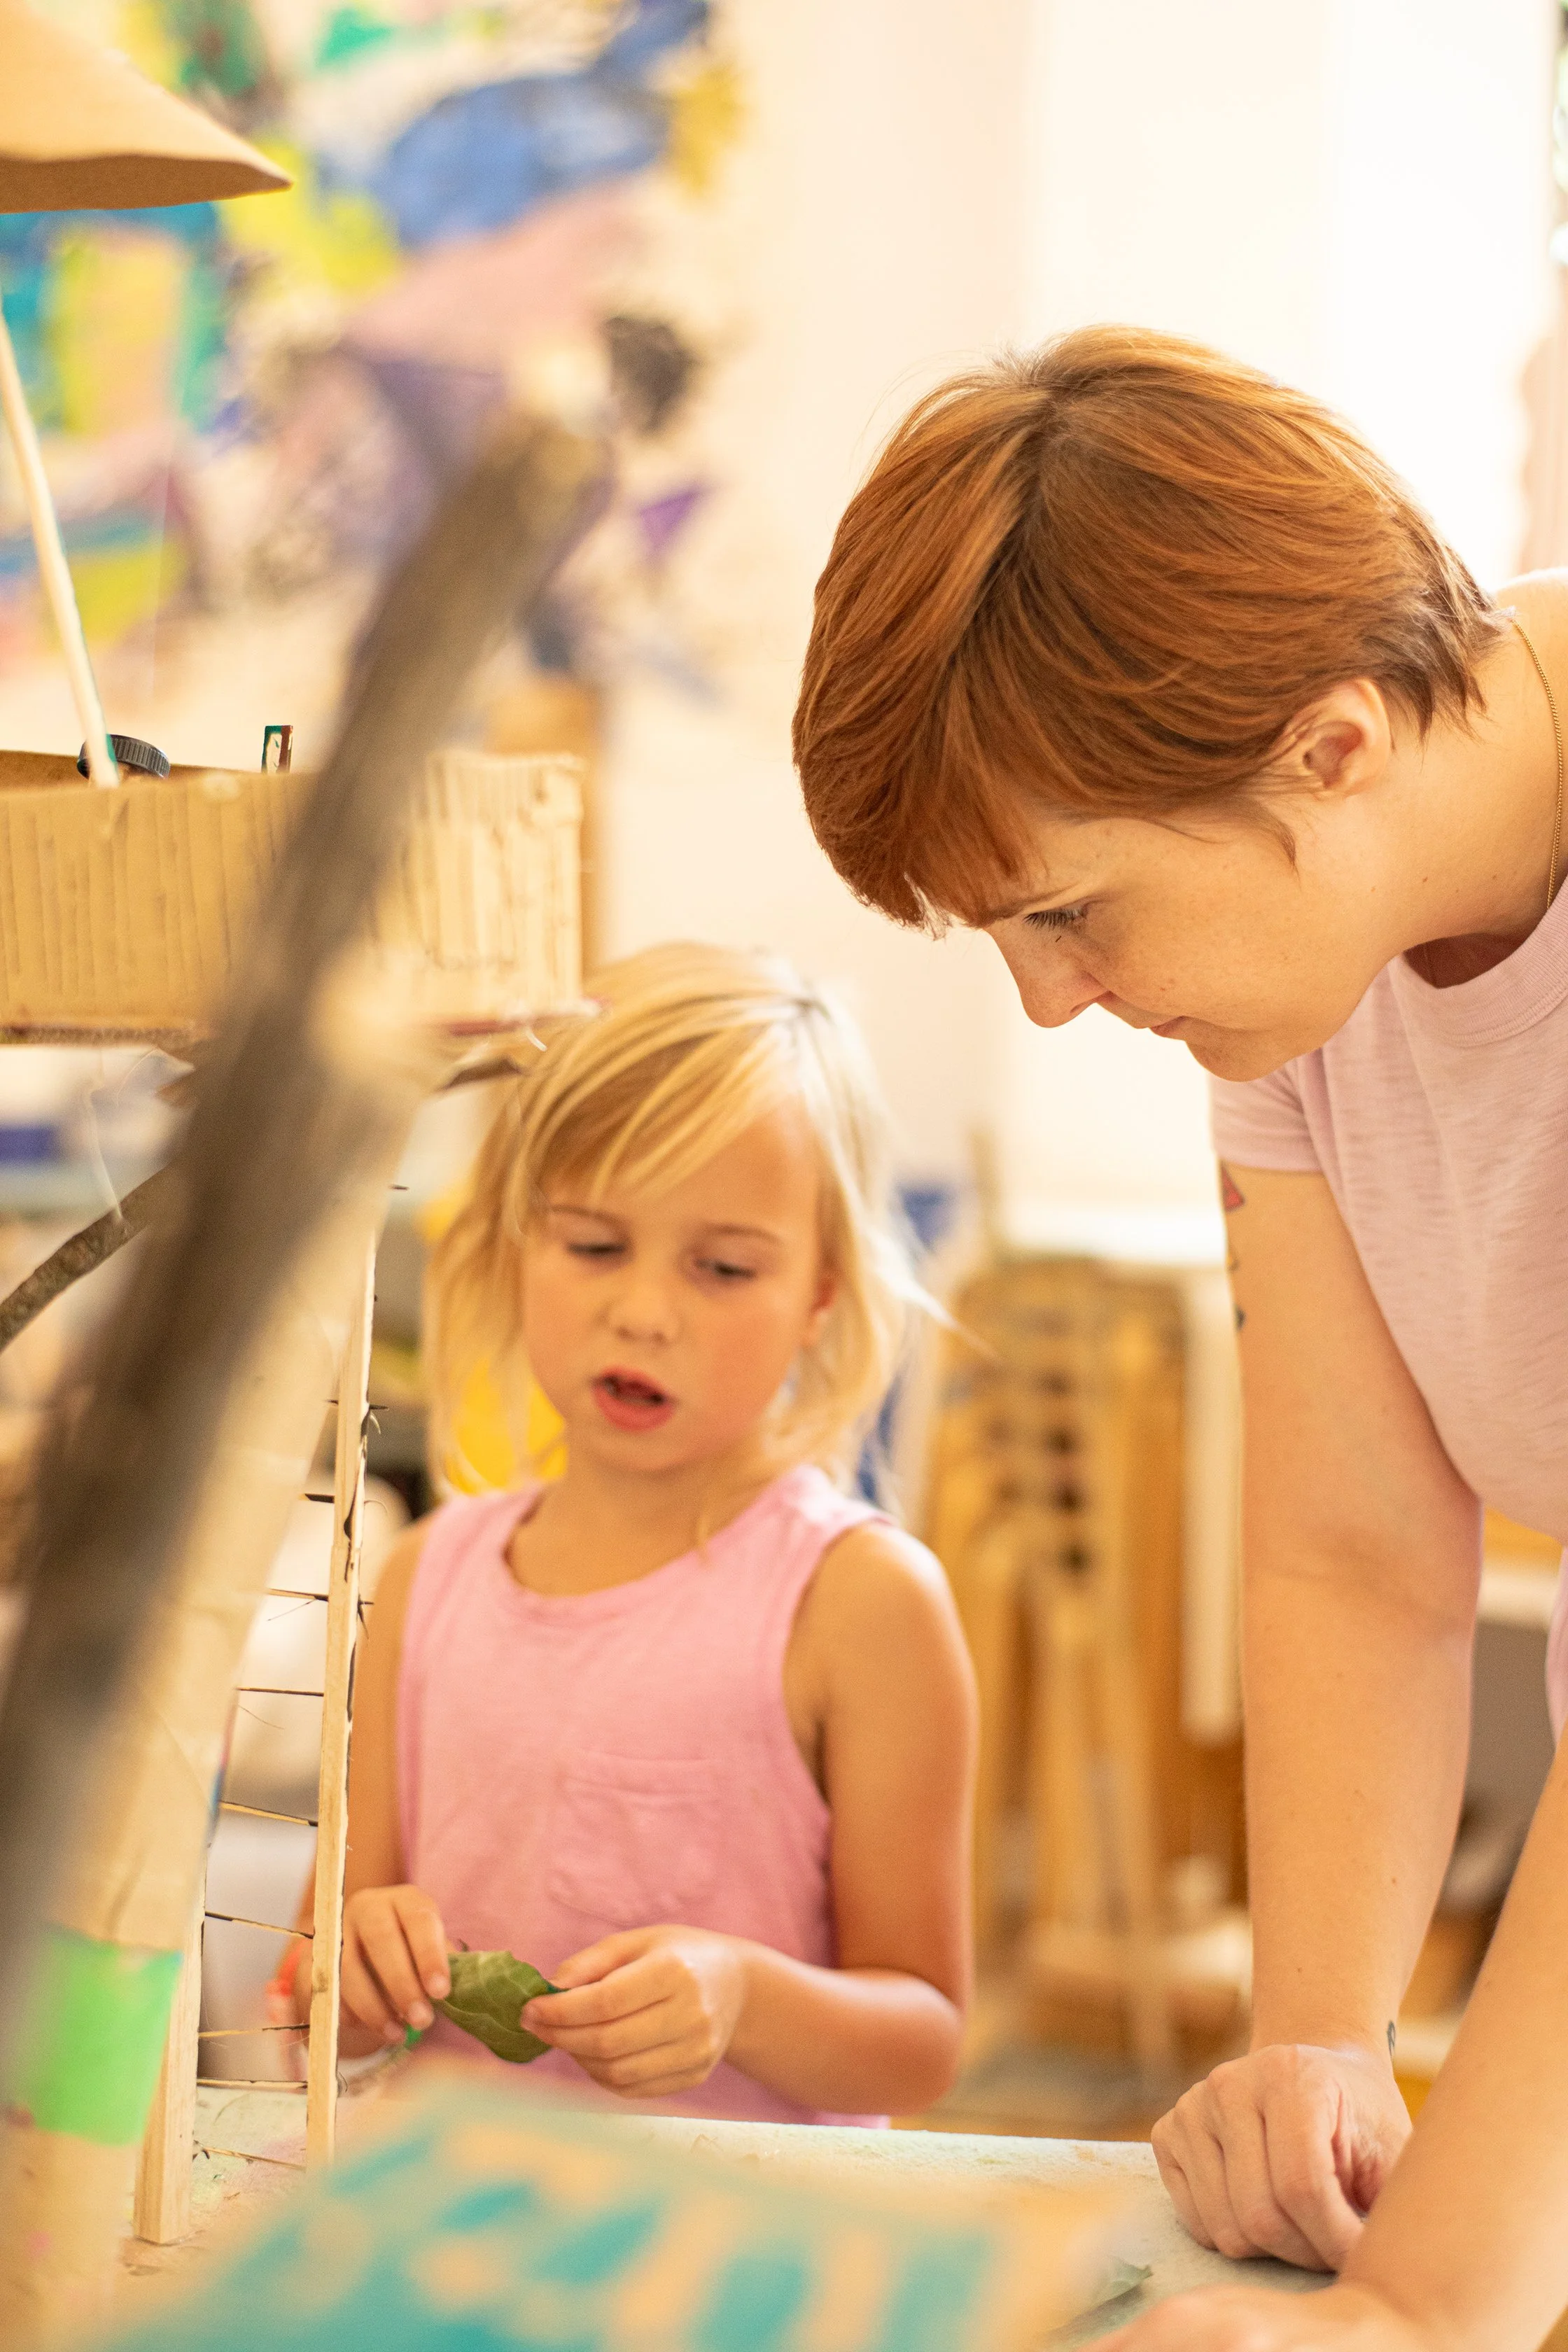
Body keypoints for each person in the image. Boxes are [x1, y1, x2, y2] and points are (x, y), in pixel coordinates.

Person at [793, 326, 1568, 2348]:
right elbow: (1353, 1547)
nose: (1052, 1005)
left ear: (1330, 746)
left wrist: (1421, 2310)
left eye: (1071, 913)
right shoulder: (1310, 974)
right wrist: (1322, 2043)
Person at [278, 941, 976, 2125]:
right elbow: (311, 1998)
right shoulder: (427, 1577)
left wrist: (745, 1998)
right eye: (594, 1245)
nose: (643, 1311)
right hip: (461, 2238)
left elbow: (924, 2042)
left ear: (819, 1289)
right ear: (514, 1243)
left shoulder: (862, 1602)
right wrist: (352, 1969)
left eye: (722, 1267)